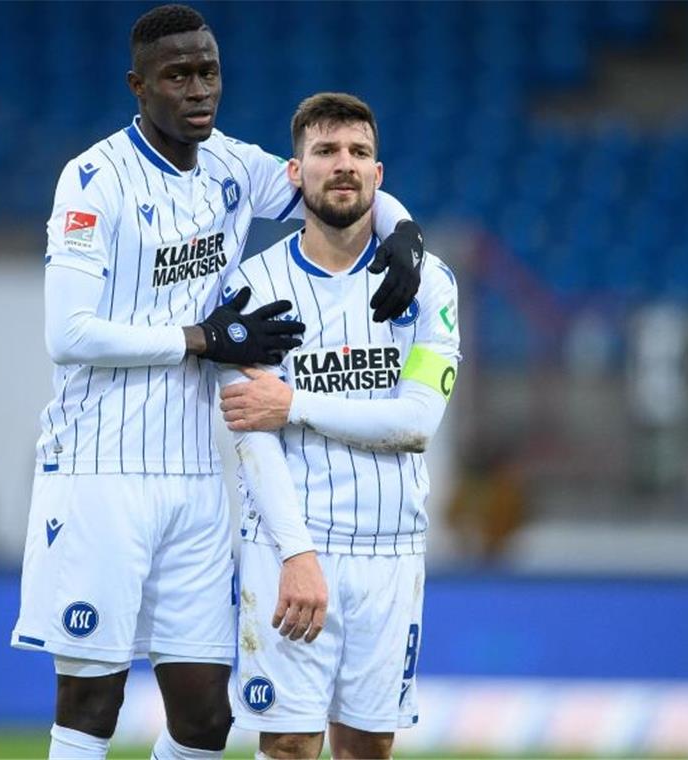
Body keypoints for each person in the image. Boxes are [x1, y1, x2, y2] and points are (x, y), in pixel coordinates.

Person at [8, 5, 428, 759]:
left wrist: (402, 231)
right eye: (178, 76)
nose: (198, 89)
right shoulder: (93, 180)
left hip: (201, 477)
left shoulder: (234, 168)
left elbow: (333, 180)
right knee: (92, 700)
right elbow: (65, 335)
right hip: (101, 466)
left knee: (206, 716)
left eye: (208, 72)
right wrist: (200, 339)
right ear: (139, 87)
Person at [216, 92, 462, 760]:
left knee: (366, 748)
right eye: (325, 151)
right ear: (295, 174)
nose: (343, 165)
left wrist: (294, 402)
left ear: (379, 177)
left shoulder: (429, 284)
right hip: (290, 542)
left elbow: (416, 422)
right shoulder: (249, 287)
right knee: (291, 745)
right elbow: (251, 435)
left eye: (358, 152)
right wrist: (297, 555)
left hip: (391, 547)